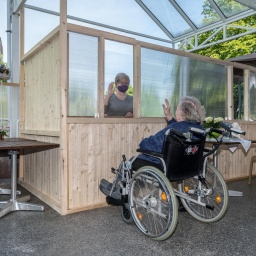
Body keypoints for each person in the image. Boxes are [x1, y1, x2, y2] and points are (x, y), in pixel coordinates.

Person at [135, 96, 206, 166]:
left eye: (177, 109)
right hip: (188, 166)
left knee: (133, 161)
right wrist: (168, 115)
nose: (175, 111)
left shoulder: (174, 128)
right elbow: (181, 130)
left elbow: (151, 145)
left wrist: (143, 143)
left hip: (169, 167)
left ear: (182, 115)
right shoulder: (200, 129)